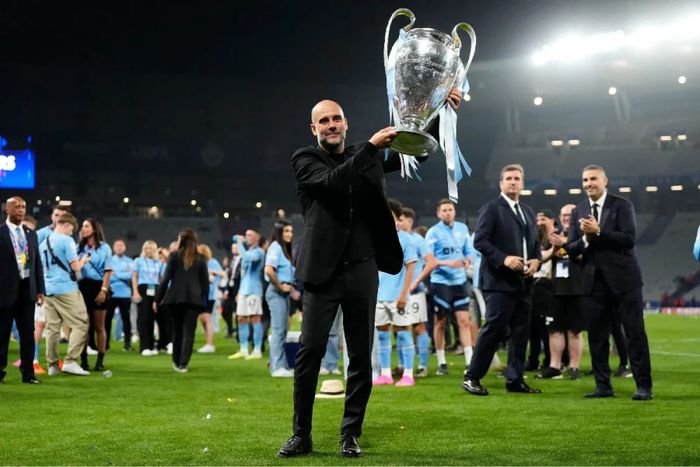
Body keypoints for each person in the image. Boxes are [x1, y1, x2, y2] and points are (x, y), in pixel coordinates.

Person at [278, 91, 462, 458]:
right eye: (324, 121)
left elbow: (416, 149)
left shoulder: (370, 154)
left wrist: (442, 114)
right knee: (310, 352)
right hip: (322, 274)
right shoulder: (305, 159)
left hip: (363, 269)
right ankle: (302, 434)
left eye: (337, 118)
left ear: (346, 123)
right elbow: (334, 182)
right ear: (314, 128)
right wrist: (371, 148)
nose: (331, 125)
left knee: (361, 355)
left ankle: (351, 433)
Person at [550, 164, 652, 400]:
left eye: (593, 179)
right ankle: (603, 386)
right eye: (585, 180)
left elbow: (629, 239)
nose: (588, 184)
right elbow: (573, 247)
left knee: (635, 333)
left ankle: (643, 386)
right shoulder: (579, 210)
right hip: (592, 282)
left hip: (625, 280)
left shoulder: (622, 205)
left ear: (605, 181)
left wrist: (599, 232)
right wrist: (585, 239)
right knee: (597, 335)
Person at [463, 164, 542, 396]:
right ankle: (472, 377)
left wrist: (537, 260)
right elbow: (480, 241)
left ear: (523, 183)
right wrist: (504, 258)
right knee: (494, 329)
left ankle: (515, 379)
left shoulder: (527, 211)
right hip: (498, 282)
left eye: (517, 178)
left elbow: (534, 243)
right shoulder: (492, 208)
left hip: (524, 281)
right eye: (508, 178)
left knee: (520, 332)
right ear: (501, 184)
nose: (513, 182)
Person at [424, 199, 473, 376]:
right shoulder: (433, 232)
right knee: (440, 322)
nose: (447, 213)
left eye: (450, 209)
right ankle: (441, 361)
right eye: (444, 210)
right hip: (441, 283)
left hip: (460, 282)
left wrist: (468, 260)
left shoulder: (462, 229)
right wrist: (448, 263)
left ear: (454, 211)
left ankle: (469, 362)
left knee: (464, 321)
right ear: (438, 213)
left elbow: (469, 250)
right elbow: (428, 259)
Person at [39, 212, 92, 376]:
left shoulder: (43, 243)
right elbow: (76, 267)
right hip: (65, 288)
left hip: (48, 288)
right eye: (72, 229)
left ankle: (52, 366)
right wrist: (83, 261)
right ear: (67, 225)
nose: (72, 233)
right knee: (81, 323)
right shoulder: (66, 240)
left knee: (52, 328)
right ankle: (70, 361)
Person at [0, 197, 45, 384]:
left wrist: (40, 289)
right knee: (1, 334)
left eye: (23, 206)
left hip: (27, 290)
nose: (20, 209)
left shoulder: (30, 233)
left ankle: (28, 373)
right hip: (4, 291)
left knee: (28, 332)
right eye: (16, 206)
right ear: (7, 209)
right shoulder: (1, 232)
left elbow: (37, 263)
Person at [373, 199, 418, 387]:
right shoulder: (375, 237)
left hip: (398, 296)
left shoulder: (406, 239)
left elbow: (411, 267)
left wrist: (403, 294)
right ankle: (385, 374)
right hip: (379, 296)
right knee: (382, 334)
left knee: (403, 332)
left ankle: (408, 375)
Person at [540, 204, 585, 380]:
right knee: (554, 329)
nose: (566, 218)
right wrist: (554, 251)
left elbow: (586, 256)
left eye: (570, 214)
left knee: (574, 330)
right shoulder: (555, 236)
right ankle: (555, 366)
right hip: (556, 289)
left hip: (577, 289)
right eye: (563, 215)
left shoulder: (583, 235)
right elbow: (543, 258)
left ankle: (574, 366)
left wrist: (565, 245)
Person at [155, 228, 209, 373]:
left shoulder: (173, 256)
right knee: (189, 332)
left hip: (175, 299)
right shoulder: (201, 258)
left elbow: (166, 280)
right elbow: (205, 283)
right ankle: (183, 363)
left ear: (181, 240)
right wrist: (206, 302)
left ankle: (176, 360)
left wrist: (157, 299)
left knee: (177, 331)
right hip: (194, 300)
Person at [403, 207, 437, 378]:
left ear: (409, 221)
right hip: (399, 291)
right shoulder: (397, 238)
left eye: (401, 219)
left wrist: (417, 280)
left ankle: (423, 365)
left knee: (419, 327)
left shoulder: (417, 240)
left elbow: (431, 262)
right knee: (399, 328)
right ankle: (402, 366)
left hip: (416, 291)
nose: (398, 222)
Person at [77, 218, 113, 371]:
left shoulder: (104, 248)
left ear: (94, 229)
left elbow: (108, 270)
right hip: (82, 286)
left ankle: (100, 360)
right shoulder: (79, 247)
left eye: (86, 226)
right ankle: (83, 360)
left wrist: (103, 290)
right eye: (82, 226)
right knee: (83, 326)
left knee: (100, 326)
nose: (83, 229)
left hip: (99, 286)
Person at [264, 220, 296, 377]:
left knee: (282, 330)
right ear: (279, 232)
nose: (290, 234)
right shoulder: (276, 247)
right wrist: (280, 286)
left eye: (291, 231)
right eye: (286, 231)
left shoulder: (283, 249)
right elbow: (269, 270)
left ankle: (278, 364)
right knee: (278, 330)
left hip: (283, 293)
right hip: (277, 292)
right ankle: (277, 367)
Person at [228, 230, 265, 360]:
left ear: (257, 238)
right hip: (244, 291)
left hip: (254, 290)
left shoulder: (259, 252)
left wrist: (239, 242)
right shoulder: (247, 252)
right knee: (241, 319)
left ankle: (257, 350)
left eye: (250, 235)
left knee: (255, 319)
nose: (247, 237)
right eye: (246, 235)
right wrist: (239, 291)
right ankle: (243, 349)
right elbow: (243, 275)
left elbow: (247, 258)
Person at [527, 209, 555, 373]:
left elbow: (543, 257)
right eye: (538, 219)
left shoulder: (554, 240)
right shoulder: (534, 242)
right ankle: (533, 360)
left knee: (545, 328)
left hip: (545, 286)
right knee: (533, 327)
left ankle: (548, 361)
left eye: (543, 218)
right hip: (534, 285)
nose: (540, 222)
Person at [132, 240, 162, 356]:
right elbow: (134, 276)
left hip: (155, 288)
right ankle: (144, 346)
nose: (148, 250)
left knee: (152, 318)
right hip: (143, 288)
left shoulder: (158, 262)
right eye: (146, 248)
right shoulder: (138, 261)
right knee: (143, 318)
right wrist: (135, 291)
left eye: (151, 248)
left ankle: (151, 345)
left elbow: (160, 278)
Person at [107, 239, 135, 351]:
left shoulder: (129, 261)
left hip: (125, 294)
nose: (119, 247)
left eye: (121, 245)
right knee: (107, 319)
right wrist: (122, 274)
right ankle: (105, 345)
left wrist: (116, 273)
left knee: (126, 319)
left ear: (125, 248)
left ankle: (127, 344)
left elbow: (130, 276)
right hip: (111, 293)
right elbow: (108, 276)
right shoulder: (109, 260)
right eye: (117, 245)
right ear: (113, 248)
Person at [196, 244, 223, 353]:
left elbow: (222, 273)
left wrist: (211, 272)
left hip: (209, 294)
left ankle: (210, 343)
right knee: (203, 318)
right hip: (200, 293)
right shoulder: (199, 263)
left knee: (207, 317)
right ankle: (208, 342)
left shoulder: (212, 262)